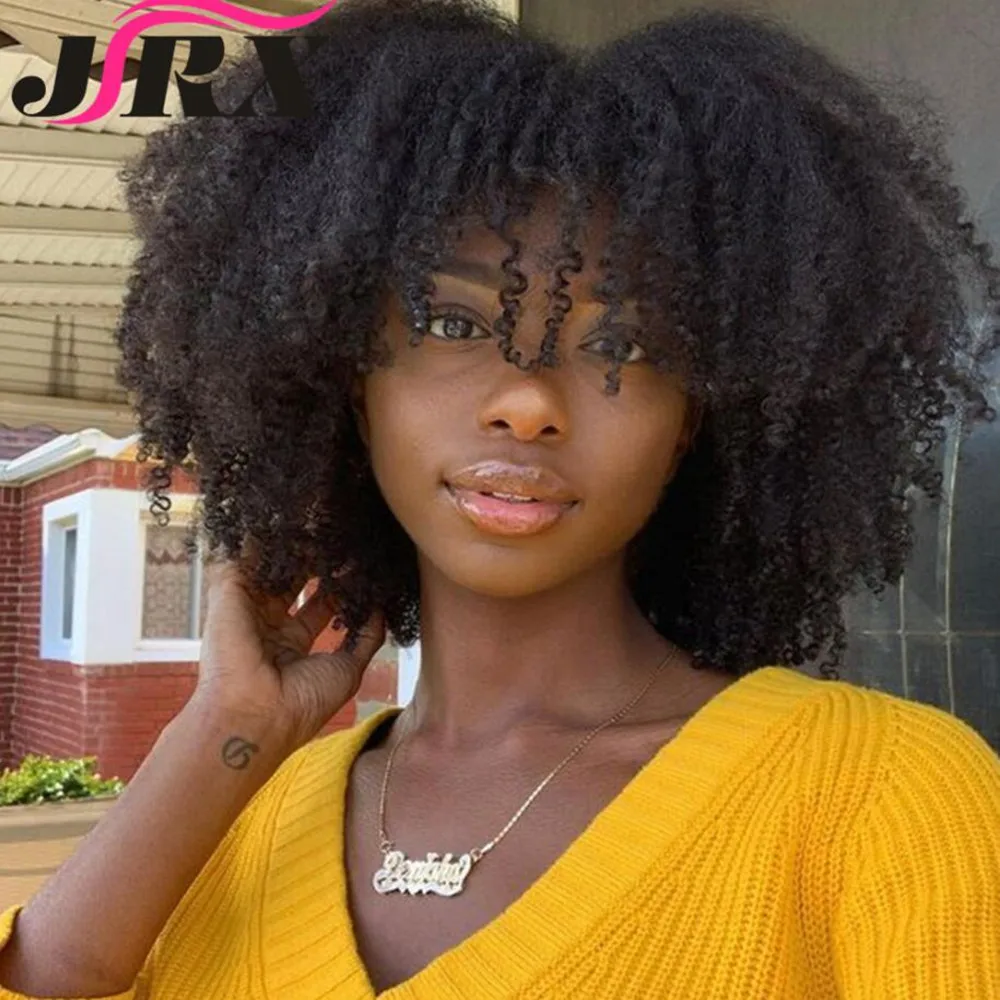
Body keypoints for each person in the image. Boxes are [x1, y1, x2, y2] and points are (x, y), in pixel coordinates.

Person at [2, 0, 999, 996]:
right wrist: (221, 731)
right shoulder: (231, 818)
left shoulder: (884, 799)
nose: (528, 404)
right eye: (452, 321)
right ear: (347, 374)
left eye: (619, 344)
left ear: (692, 418)